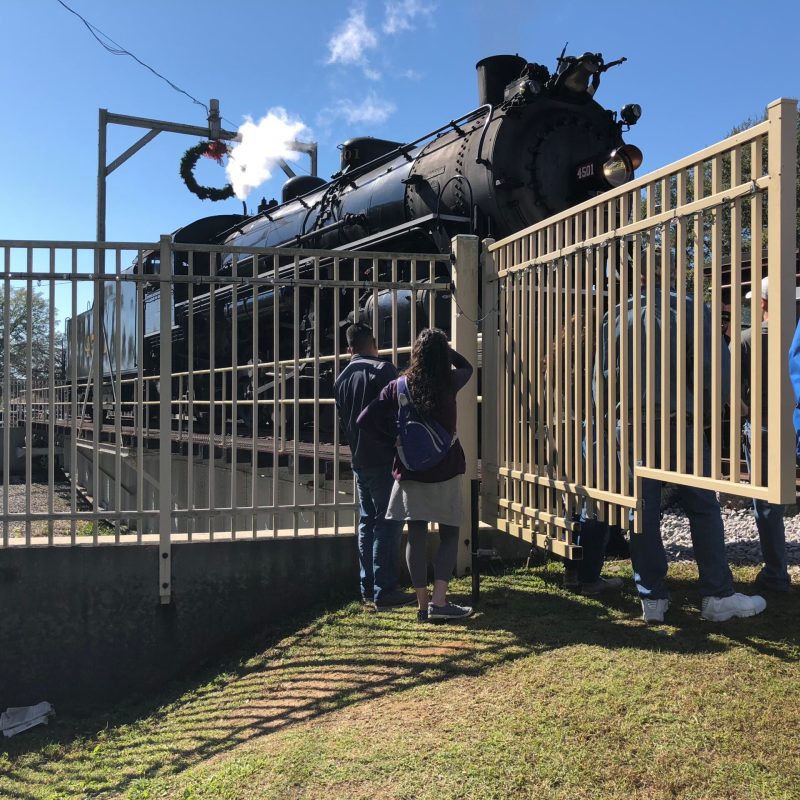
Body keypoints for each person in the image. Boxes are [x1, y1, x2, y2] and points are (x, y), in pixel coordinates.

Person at [599, 286, 767, 623]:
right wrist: (712, 410)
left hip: (630, 422)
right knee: (702, 507)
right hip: (679, 423)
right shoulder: (689, 309)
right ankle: (717, 595)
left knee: (642, 512)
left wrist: (609, 419)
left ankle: (652, 598)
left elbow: (602, 377)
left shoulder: (615, 314)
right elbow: (713, 367)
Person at [358, 328, 474, 622]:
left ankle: (422, 607)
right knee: (450, 535)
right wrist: (445, 351)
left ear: (416, 355)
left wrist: (393, 440)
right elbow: (467, 367)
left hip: (410, 471)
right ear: (440, 355)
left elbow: (364, 419)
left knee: (416, 536)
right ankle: (440, 602)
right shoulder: (450, 382)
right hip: (446, 468)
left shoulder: (398, 386)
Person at [334, 323, 414, 610]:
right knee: (389, 523)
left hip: (358, 460)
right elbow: (399, 412)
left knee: (367, 523)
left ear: (349, 348)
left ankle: (367, 587)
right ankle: (386, 590)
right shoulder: (383, 371)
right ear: (374, 343)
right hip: (384, 460)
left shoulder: (341, 378)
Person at [741, 277, 791, 592]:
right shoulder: (794, 336)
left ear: (761, 303)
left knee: (765, 501)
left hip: (761, 423)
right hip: (793, 421)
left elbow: (727, 384)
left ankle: (776, 572)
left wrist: (745, 409)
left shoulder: (748, 339)